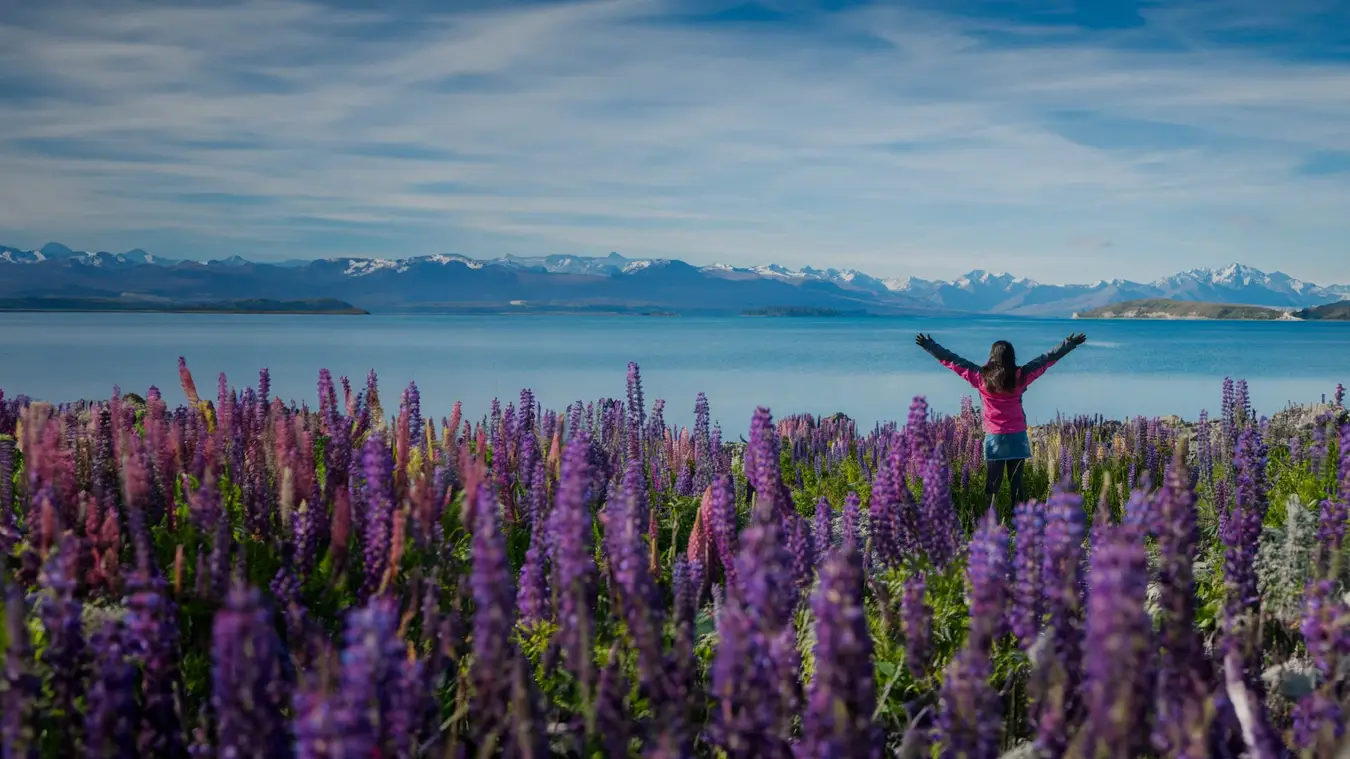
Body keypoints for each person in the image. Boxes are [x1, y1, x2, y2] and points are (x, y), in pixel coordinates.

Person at [915, 331, 1087, 509]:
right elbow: (1046, 360)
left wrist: (930, 346)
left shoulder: (980, 377)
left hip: (995, 438)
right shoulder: (1021, 376)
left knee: (992, 485)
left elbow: (953, 360)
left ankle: (990, 520)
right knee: (1017, 485)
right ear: (1012, 356)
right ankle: (1019, 523)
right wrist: (1069, 343)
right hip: (1017, 437)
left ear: (992, 356)